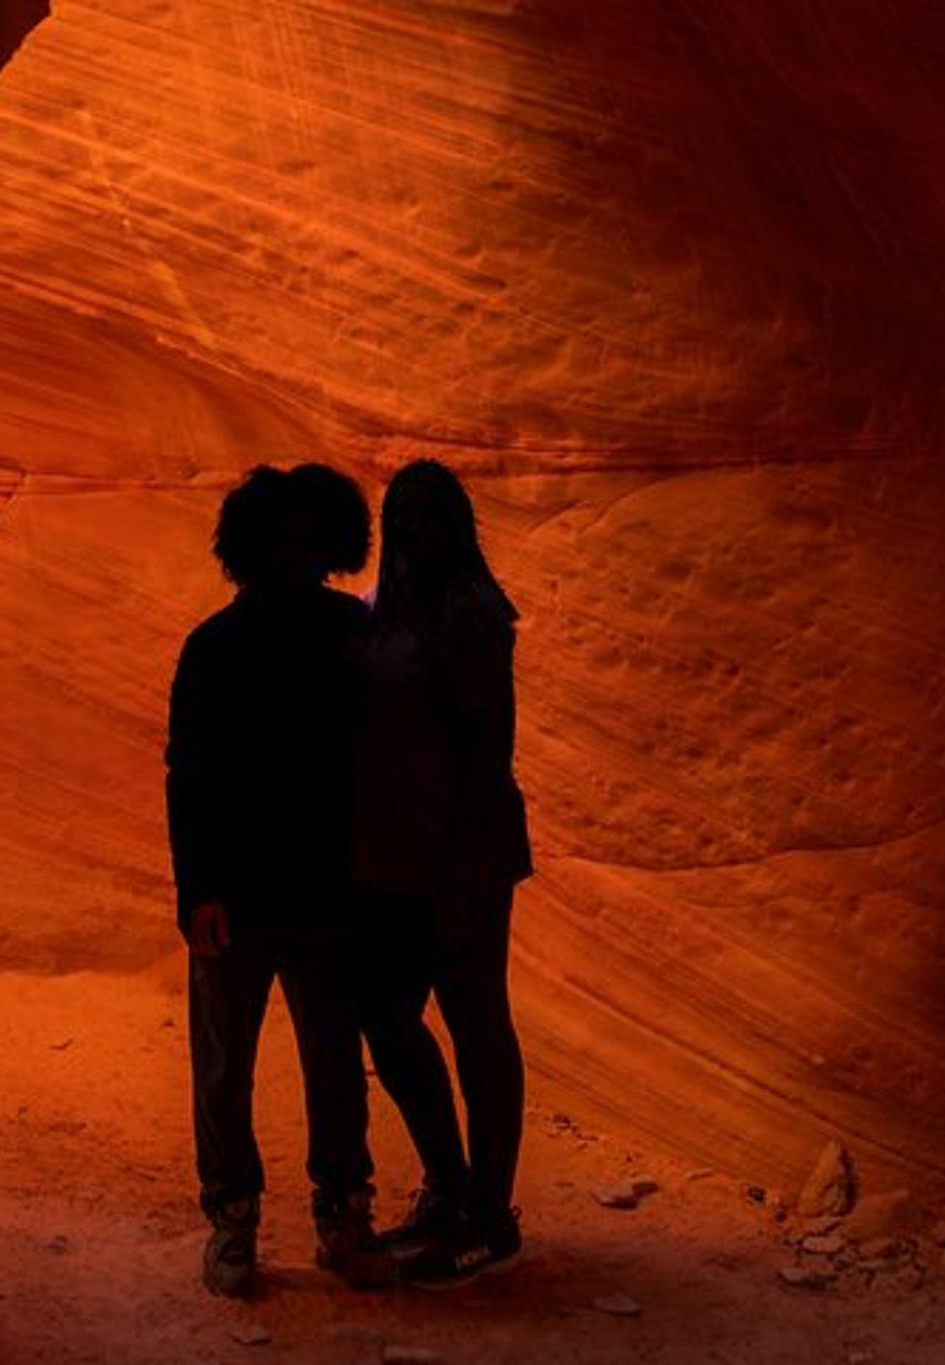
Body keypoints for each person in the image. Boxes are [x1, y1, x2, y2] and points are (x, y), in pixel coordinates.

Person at [165, 463, 395, 1297]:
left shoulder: (346, 633)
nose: (296, 555)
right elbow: (187, 774)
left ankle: (341, 1210)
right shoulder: (214, 649)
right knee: (228, 1068)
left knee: (332, 1062)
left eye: (307, 540)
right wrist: (198, 892)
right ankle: (233, 1217)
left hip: (327, 891)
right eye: (282, 540)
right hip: (243, 894)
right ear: (252, 548)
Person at [351, 459, 533, 1287]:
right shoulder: (393, 608)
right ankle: (455, 1188)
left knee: (475, 1023)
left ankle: (488, 1213)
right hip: (399, 860)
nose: (414, 533)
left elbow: (484, 756)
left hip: (461, 860)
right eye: (407, 517)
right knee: (391, 1020)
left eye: (425, 518)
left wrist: (461, 882)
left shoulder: (470, 616)